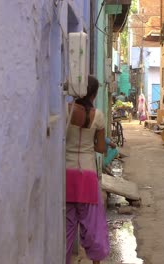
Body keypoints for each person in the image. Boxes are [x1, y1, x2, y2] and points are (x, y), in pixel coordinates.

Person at [65, 76, 109, 264]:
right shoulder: (98, 116)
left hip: (67, 174)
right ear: (94, 93)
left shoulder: (66, 111)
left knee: (66, 229)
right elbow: (100, 149)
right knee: (93, 227)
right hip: (88, 176)